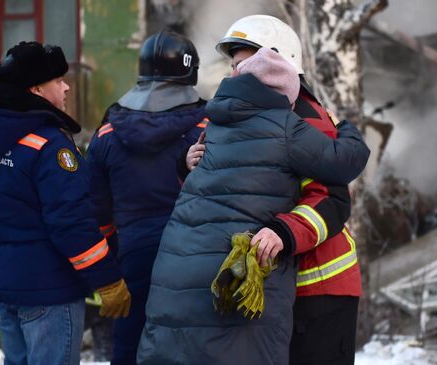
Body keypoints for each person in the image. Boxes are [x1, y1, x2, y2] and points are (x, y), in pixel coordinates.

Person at [137, 43, 369, 364]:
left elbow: (213, 191)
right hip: (247, 281)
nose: (235, 70)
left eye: (240, 64)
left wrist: (183, 166)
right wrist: (348, 128)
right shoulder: (288, 126)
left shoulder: (214, 125)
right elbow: (345, 163)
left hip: (179, 280)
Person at [0, 41, 131, 365]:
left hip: (4, 287)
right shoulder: (49, 145)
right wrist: (107, 280)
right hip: (50, 292)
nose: (66, 87)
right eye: (58, 80)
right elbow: (72, 222)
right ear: (37, 89)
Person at [209, 15, 362, 365]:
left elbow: (330, 200)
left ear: (278, 61)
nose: (234, 75)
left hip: (320, 287)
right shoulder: (258, 115)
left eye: (242, 64)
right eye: (233, 66)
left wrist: (283, 232)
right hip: (280, 288)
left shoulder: (307, 119)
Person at [85, 31, 207, 365]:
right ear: (190, 71)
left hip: (132, 258)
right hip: (196, 261)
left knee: (130, 349)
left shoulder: (107, 133)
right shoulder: (209, 127)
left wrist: (110, 271)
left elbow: (95, 214)